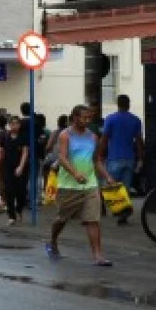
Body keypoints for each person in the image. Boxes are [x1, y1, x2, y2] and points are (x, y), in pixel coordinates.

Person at [46, 104, 116, 266]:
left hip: (90, 184)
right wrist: (75, 173)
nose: (86, 120)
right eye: (83, 117)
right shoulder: (65, 135)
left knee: (93, 219)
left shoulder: (92, 136)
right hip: (69, 185)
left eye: (88, 118)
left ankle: (98, 255)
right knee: (62, 218)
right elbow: (62, 158)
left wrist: (107, 176)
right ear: (75, 118)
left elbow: (96, 160)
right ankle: (53, 240)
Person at [100, 94, 145, 223]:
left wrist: (100, 154)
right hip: (130, 158)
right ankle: (122, 214)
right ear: (128, 104)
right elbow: (138, 141)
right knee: (125, 187)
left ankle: (113, 209)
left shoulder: (110, 119)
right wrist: (141, 158)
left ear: (117, 104)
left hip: (114, 157)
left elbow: (104, 139)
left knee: (110, 186)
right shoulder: (136, 120)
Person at [0, 115, 30, 225]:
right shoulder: (5, 136)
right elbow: (0, 152)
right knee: (8, 191)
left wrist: (21, 166)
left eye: (16, 123)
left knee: (21, 192)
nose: (14, 126)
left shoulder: (23, 137)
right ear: (9, 125)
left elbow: (25, 152)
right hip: (7, 167)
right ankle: (11, 216)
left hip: (21, 168)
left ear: (19, 125)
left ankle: (19, 209)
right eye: (12, 124)